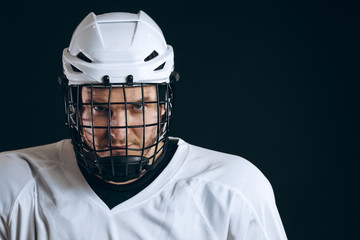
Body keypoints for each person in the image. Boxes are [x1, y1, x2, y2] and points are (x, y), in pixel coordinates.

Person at [0, 11, 287, 240]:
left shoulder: (232, 190)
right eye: (100, 107)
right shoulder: (13, 185)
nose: (117, 128)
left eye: (137, 106)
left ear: (164, 106)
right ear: (75, 109)